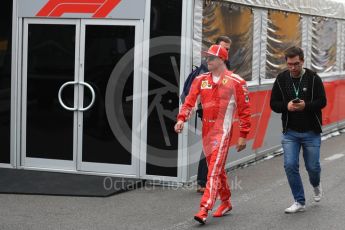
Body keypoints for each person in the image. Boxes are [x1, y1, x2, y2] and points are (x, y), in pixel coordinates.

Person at [175, 44, 251, 224]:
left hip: (223, 132)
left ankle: (204, 208)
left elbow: (244, 111)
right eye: (206, 57)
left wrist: (243, 135)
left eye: (211, 58)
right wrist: (181, 119)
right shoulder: (200, 80)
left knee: (213, 171)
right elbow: (189, 102)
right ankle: (226, 202)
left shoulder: (236, 81)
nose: (207, 61)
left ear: (221, 60)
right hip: (207, 131)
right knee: (216, 169)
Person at [270, 46, 327, 213]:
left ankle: (316, 184)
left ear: (302, 61)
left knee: (313, 168)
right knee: (289, 165)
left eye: (296, 64)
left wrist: (306, 106)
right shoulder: (281, 79)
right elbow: (273, 104)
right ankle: (299, 201)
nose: (293, 68)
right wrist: (286, 106)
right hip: (290, 132)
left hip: (311, 132)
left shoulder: (314, 78)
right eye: (289, 64)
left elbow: (322, 102)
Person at [195, 36, 232, 193]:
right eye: (224, 47)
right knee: (211, 145)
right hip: (208, 110)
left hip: (221, 111)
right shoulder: (207, 65)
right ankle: (204, 182)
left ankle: (212, 179)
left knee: (217, 145)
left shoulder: (226, 64)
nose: (226, 51)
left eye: (229, 49)